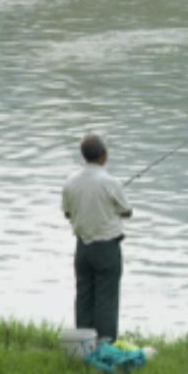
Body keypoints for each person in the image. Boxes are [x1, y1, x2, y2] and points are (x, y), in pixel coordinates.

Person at [62, 133, 132, 343]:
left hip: (82, 247)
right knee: (107, 298)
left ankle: (82, 345)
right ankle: (105, 345)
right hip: (107, 248)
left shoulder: (70, 182)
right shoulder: (111, 182)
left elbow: (67, 213)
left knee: (84, 295)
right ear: (103, 156)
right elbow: (126, 211)